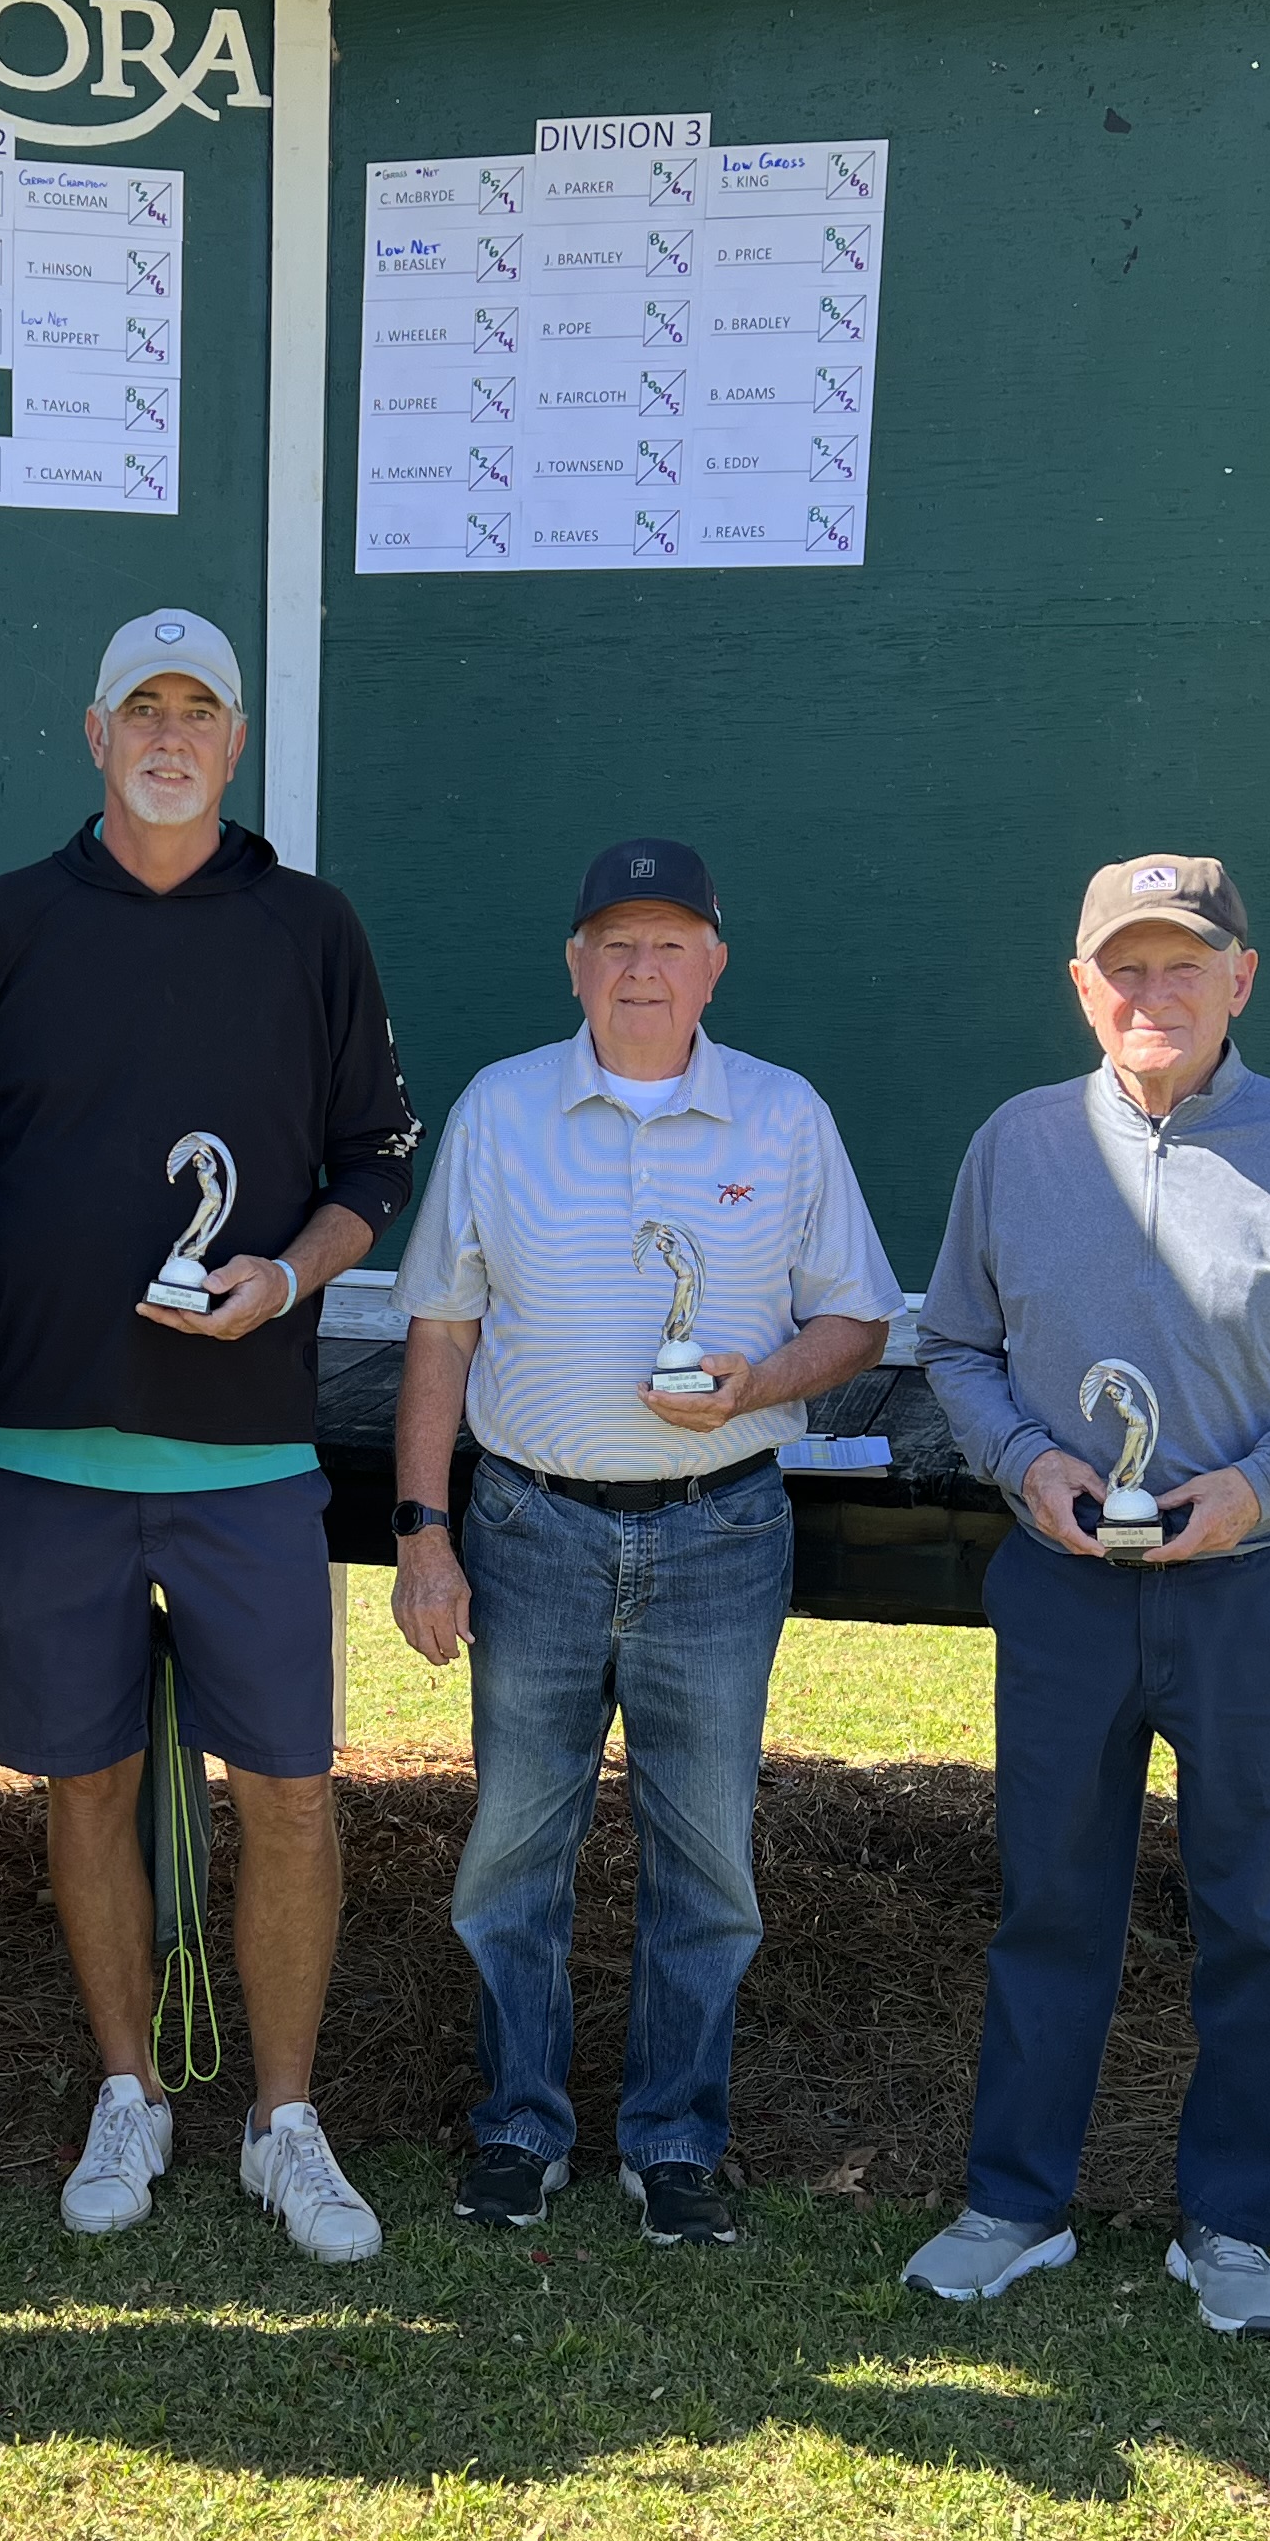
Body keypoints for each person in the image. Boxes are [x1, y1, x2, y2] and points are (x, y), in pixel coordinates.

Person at [0, 612, 417, 2262]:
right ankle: (128, 2091)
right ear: (96, 730)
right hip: (46, 1456)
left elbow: (372, 1166)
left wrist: (286, 1277)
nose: (173, 731)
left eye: (203, 707)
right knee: (88, 1787)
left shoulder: (310, 929)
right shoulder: (2, 928)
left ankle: (284, 2118)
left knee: (288, 1791)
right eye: (146, 704)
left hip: (251, 1459)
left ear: (239, 741)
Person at [905, 855, 1270, 2338]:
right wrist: (1024, 1464)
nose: (1152, 992)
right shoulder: (1016, 1147)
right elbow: (954, 1345)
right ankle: (1016, 2205)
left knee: (1255, 1917)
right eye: (1123, 967)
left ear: (1240, 980)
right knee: (1050, 1903)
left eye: (1182, 964)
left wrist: (1259, 1491)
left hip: (1257, 1593)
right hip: (1067, 1588)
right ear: (1083, 989)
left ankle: (1234, 2227)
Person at [388, 842, 900, 2247]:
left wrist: (759, 1384)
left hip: (719, 1533)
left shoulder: (785, 1118)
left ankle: (674, 2138)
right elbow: (439, 1327)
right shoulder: (501, 1109)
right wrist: (425, 1530)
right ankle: (519, 2125)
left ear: (714, 962)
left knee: (708, 1859)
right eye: (614, 942)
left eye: (670, 942)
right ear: (574, 964)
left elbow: (860, 1320)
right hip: (529, 1528)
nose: (640, 969)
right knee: (511, 1851)